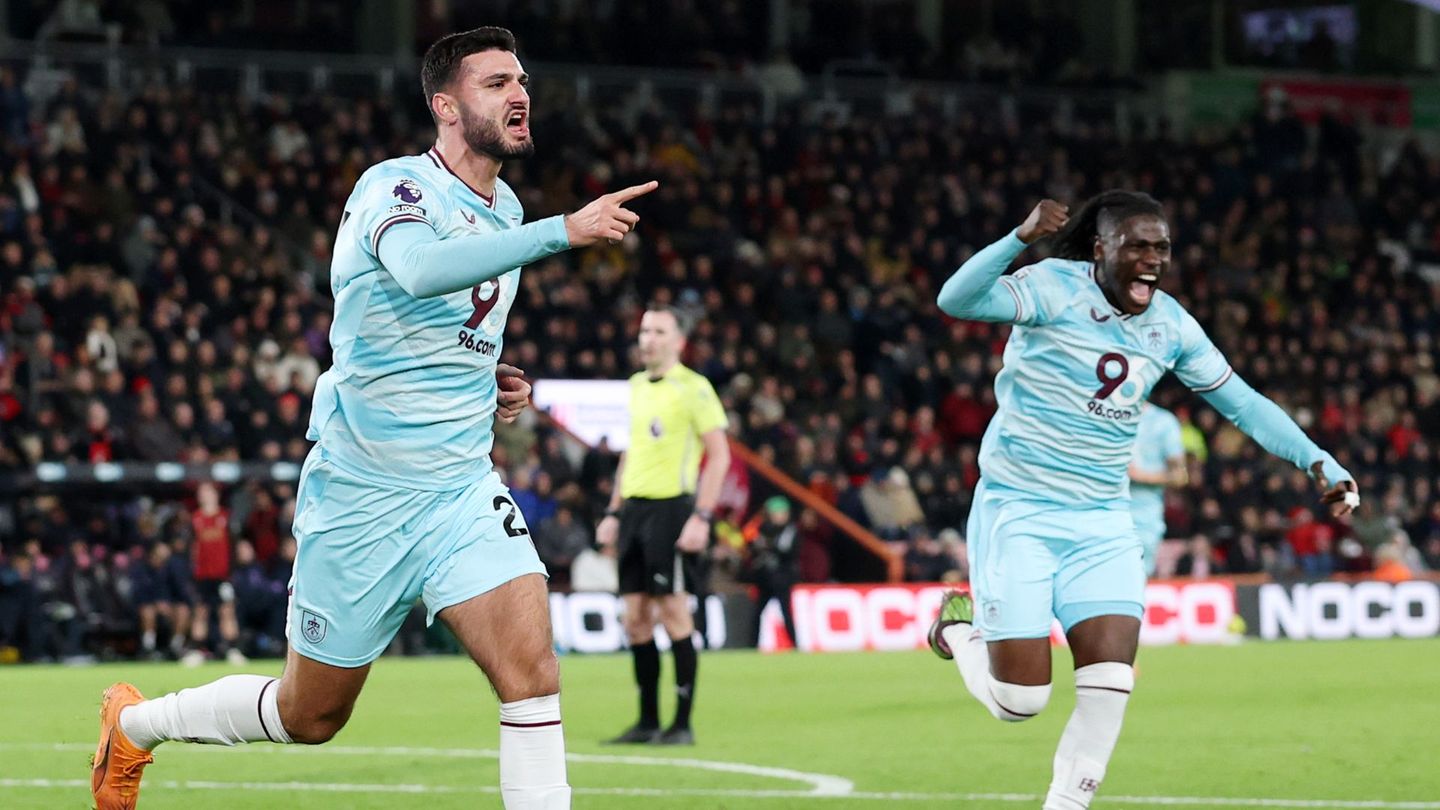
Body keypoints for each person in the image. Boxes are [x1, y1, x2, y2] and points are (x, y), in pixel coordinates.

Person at [92, 26, 655, 810]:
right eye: (497, 83)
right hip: (362, 494)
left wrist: (484, 375)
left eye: (521, 79)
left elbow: (447, 325)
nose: (520, 93)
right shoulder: (393, 188)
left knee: (532, 674)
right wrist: (566, 229)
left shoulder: (508, 208)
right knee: (310, 714)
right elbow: (420, 271)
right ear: (447, 107)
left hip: (458, 489)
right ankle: (138, 725)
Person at [927, 192, 1359, 810]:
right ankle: (958, 631)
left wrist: (1318, 460)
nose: (1153, 260)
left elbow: (1241, 401)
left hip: (1104, 521)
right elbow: (956, 300)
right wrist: (1019, 238)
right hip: (1019, 510)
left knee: (1109, 683)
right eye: (1137, 246)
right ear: (1101, 248)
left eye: (1162, 247)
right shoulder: (1050, 286)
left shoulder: (1172, 325)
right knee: (1018, 703)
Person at [595, 305, 730, 746]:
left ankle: (682, 723)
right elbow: (631, 453)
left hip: (672, 511)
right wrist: (614, 513)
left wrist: (701, 517)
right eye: (644, 331)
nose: (647, 339)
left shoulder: (694, 388)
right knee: (634, 619)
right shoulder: (635, 386)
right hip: (634, 511)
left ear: (678, 341)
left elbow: (720, 456)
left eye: (658, 331)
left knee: (673, 612)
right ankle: (648, 721)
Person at [1128, 402, 1187, 576]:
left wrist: (1139, 475)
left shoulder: (1163, 421)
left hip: (1143, 520)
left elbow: (1180, 476)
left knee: (1136, 582)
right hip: (1102, 514)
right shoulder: (1100, 413)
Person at [742, 496, 800, 649]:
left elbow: (787, 552)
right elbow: (749, 545)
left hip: (782, 578)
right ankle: (751, 645)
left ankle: (795, 644)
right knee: (756, 613)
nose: (779, 516)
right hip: (764, 578)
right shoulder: (760, 528)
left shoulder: (790, 530)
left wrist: (766, 545)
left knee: (785, 612)